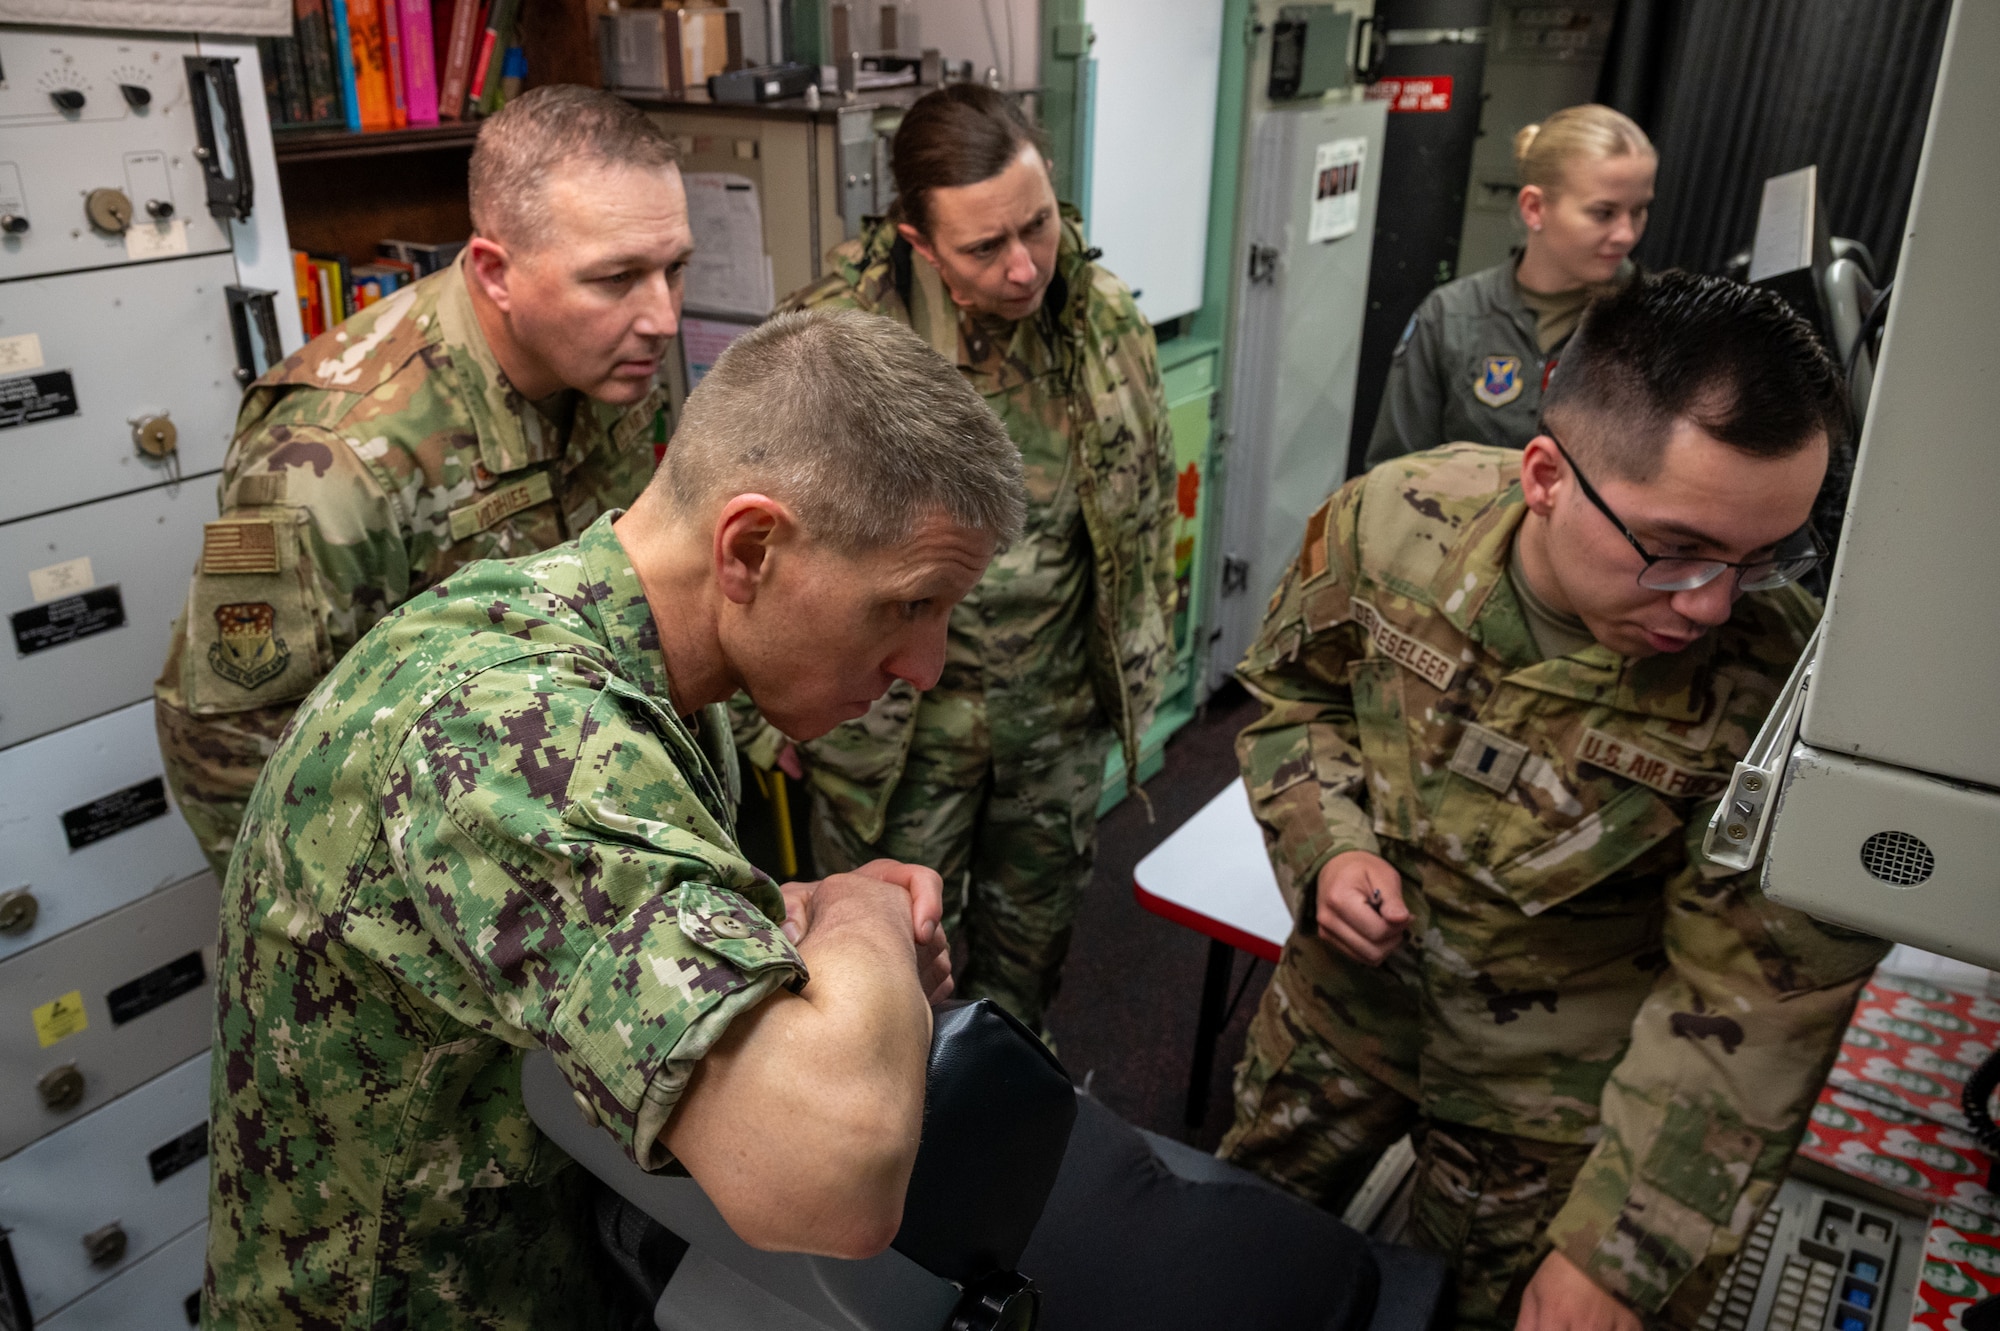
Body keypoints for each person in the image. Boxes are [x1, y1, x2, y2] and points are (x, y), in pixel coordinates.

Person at [203, 308, 1028, 1330]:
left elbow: (546, 935)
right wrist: (856, 914)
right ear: (750, 546)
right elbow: (829, 1178)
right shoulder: (514, 727)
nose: (926, 665)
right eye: (906, 605)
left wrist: (776, 922)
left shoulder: (623, 651)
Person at [1222, 271, 1888, 1331]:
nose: (1711, 601)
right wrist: (1327, 846)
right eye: (1674, 551)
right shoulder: (1389, 528)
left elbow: (1752, 1002)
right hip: (1338, 1022)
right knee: (1226, 1257)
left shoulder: (1775, 688)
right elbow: (1296, 698)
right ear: (1544, 475)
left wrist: (1621, 1250)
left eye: (1763, 556)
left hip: (1548, 1111)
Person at [737, 84, 1178, 1036]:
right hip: (895, 731)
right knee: (880, 979)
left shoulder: (1102, 323)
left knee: (1031, 959)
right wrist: (765, 712)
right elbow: (749, 542)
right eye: (986, 247)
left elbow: (1143, 509)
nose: (1025, 267)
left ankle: (1009, 1105)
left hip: (1054, 716)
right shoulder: (831, 349)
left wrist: (1137, 671)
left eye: (1039, 225)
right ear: (918, 240)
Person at [156, 85, 682, 877]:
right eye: (616, 278)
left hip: (561, 811)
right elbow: (227, 752)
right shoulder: (330, 459)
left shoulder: (612, 366)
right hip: (405, 876)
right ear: (496, 273)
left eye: (675, 270)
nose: (663, 316)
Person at [1364, 104, 1656, 469]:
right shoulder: (1452, 317)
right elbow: (1393, 475)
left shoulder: (1658, 324)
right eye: (1603, 213)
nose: (1626, 234)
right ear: (1534, 208)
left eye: (1639, 210)